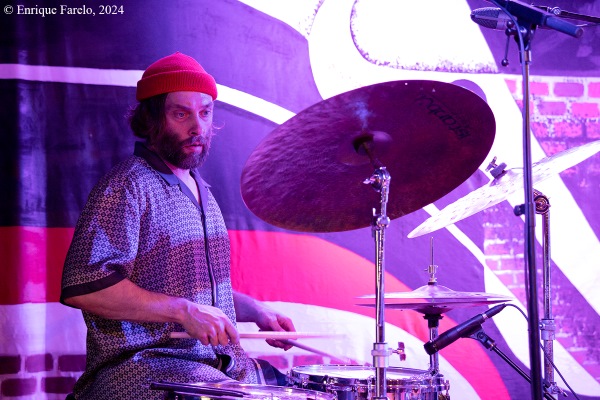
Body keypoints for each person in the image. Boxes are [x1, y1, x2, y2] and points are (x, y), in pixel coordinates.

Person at [60, 52, 295, 399]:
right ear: (152, 119)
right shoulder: (127, 186)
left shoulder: (202, 190)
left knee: (296, 388)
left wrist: (258, 312)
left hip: (213, 365)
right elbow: (84, 286)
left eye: (205, 112)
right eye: (181, 114)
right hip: (141, 368)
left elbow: (200, 294)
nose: (197, 127)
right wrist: (184, 312)